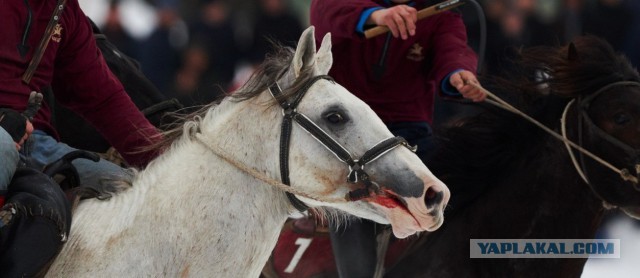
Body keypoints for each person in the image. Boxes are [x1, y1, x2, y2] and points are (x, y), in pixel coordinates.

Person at [310, 0, 486, 276]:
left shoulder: (440, 13)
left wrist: (459, 74)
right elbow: (323, 10)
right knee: (351, 195)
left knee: (462, 182)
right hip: (345, 132)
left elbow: (453, 50)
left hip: (409, 132)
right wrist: (376, 16)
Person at [1, 0, 162, 275]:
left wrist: (164, 153)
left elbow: (103, 98)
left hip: (36, 142)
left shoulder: (65, 11)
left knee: (129, 190)